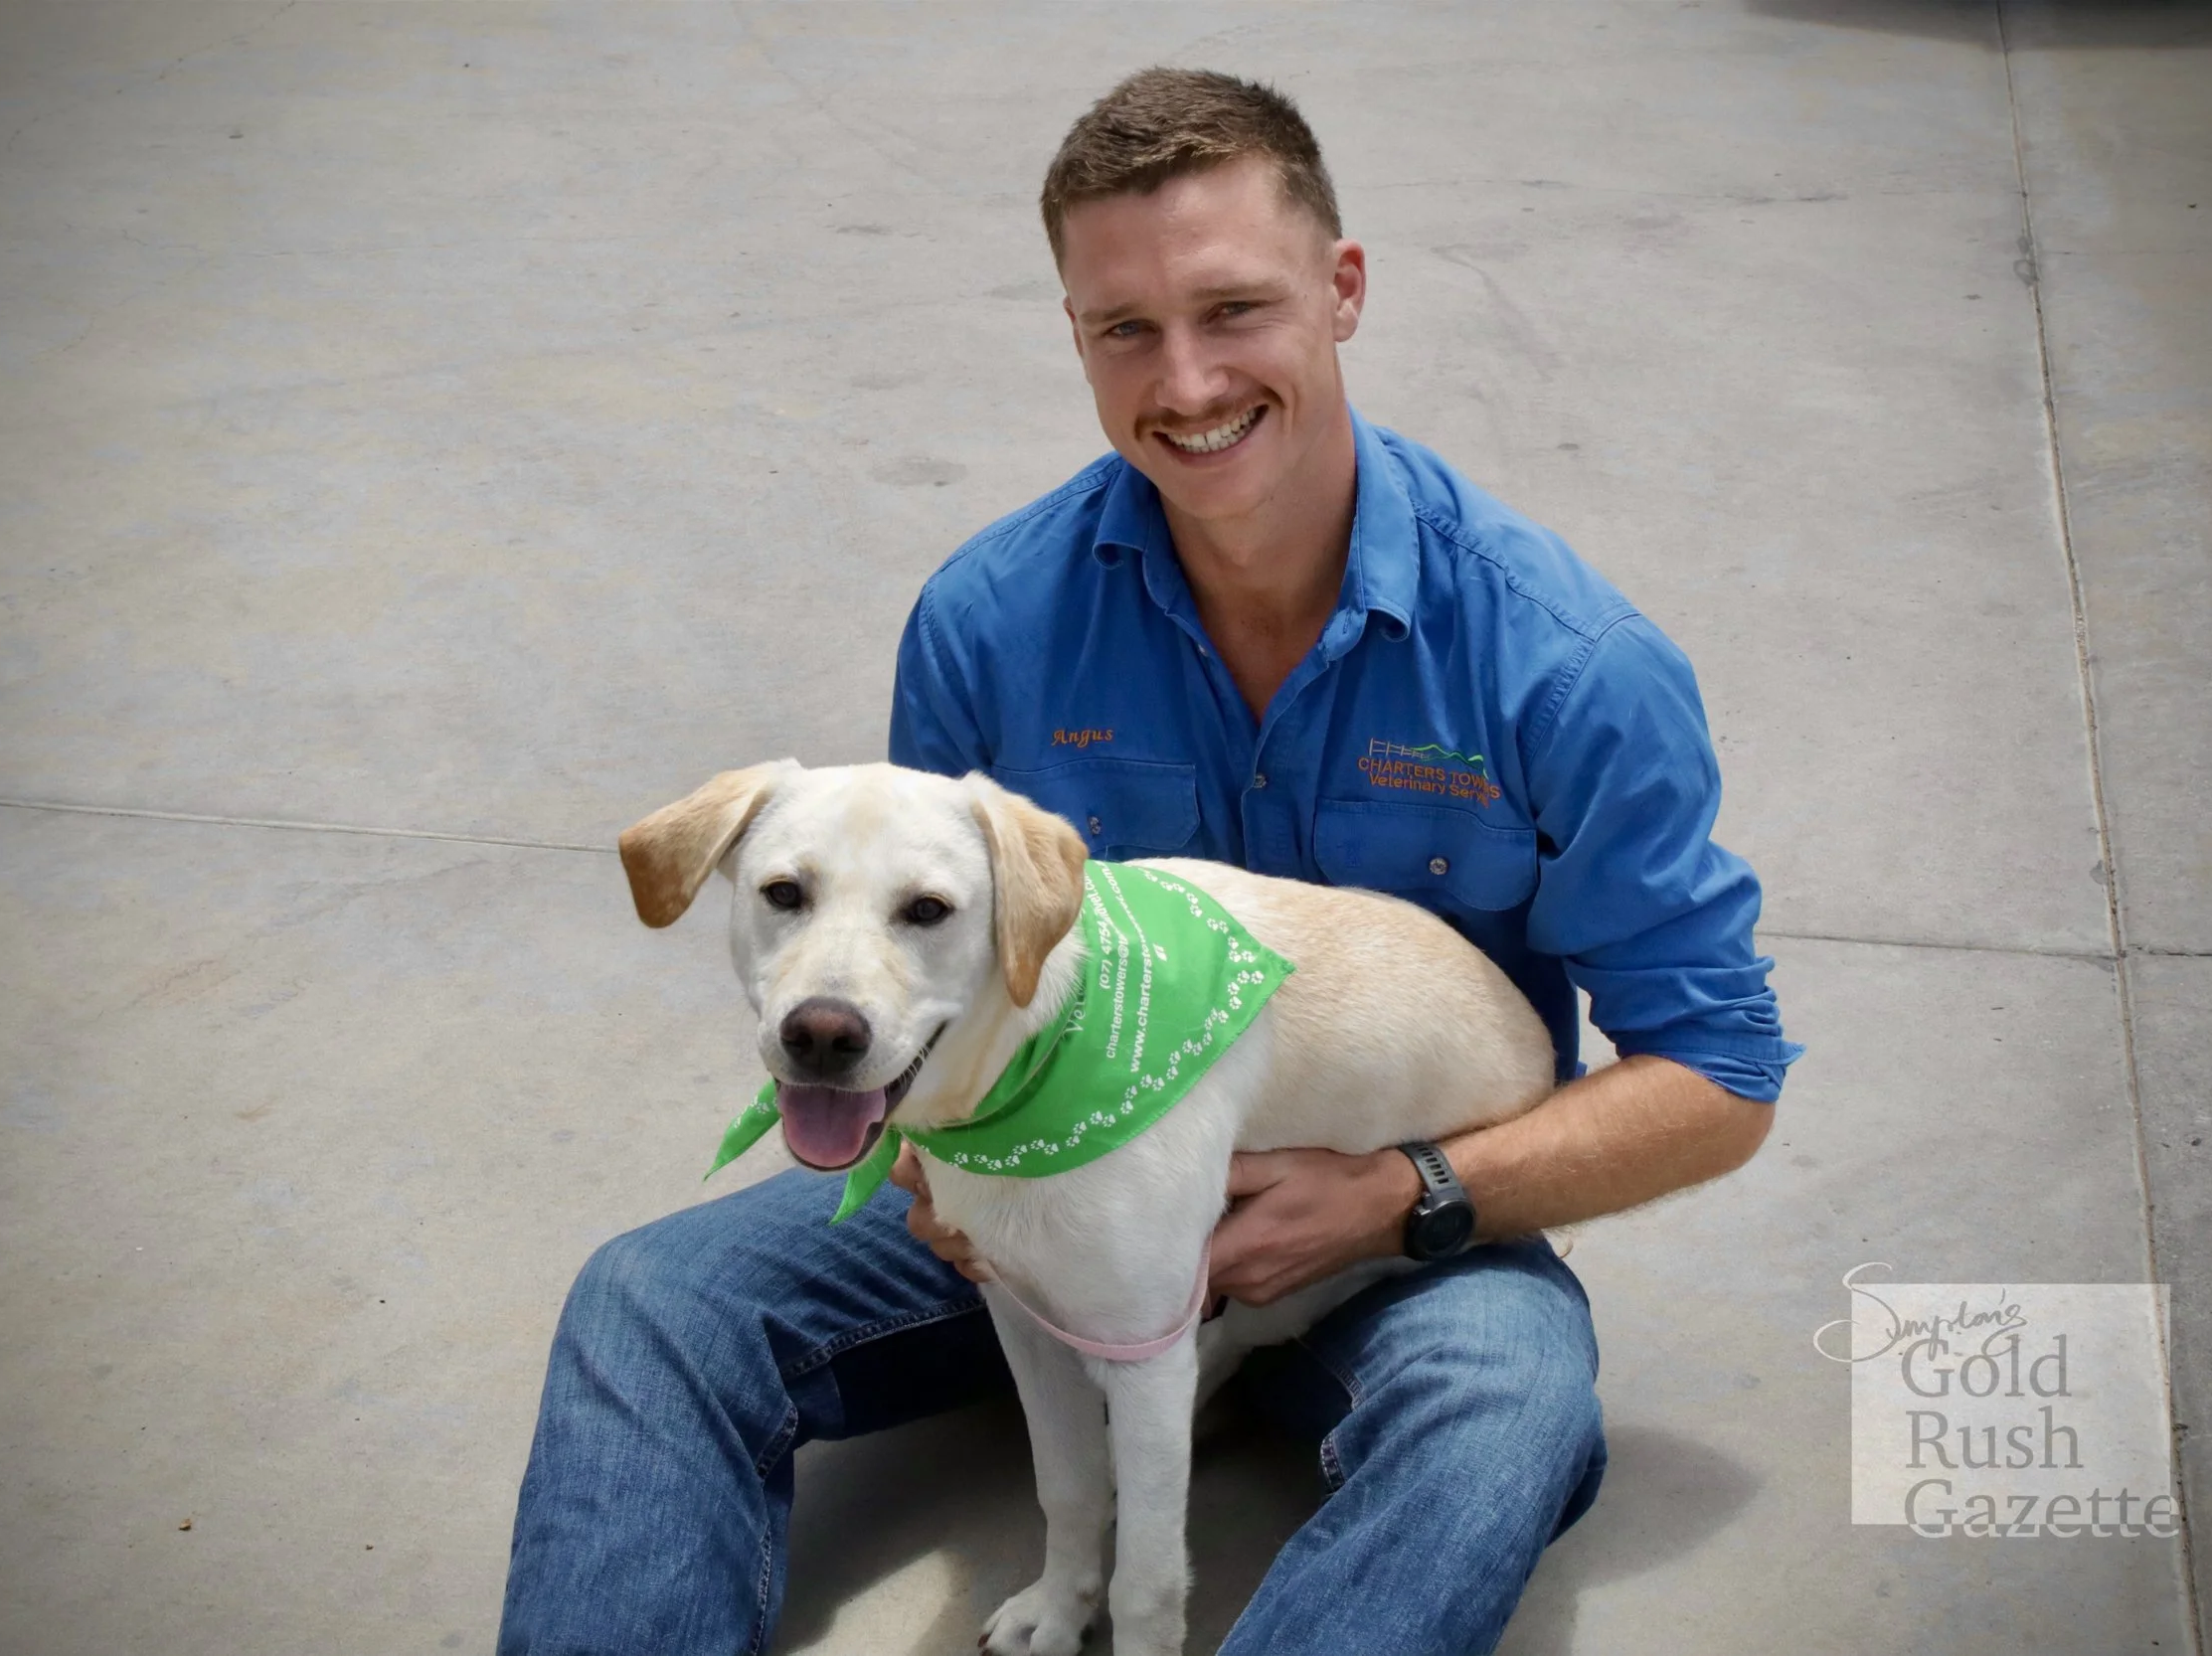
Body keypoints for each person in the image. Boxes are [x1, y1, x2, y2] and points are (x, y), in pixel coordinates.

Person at [499, 67, 1800, 1656]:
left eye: (1233, 309)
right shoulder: (990, 619)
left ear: (1344, 291)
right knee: (653, 1301)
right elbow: (910, 971)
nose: (1184, 382)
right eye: (1124, 328)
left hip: (1389, 1226)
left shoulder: (1565, 665)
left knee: (1502, 1412)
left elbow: (1721, 1076)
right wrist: (922, 1155)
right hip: (1041, 1179)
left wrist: (1403, 1194)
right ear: (1074, 333)